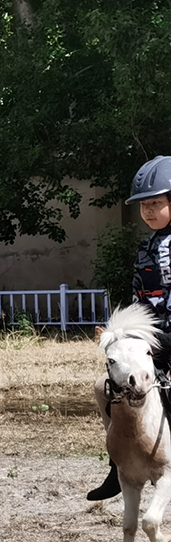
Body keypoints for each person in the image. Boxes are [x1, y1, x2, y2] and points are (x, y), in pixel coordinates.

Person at [88, 155, 171, 500]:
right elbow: (139, 300)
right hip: (153, 339)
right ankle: (118, 463)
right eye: (144, 206)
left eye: (156, 203)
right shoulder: (145, 248)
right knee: (103, 387)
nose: (149, 211)